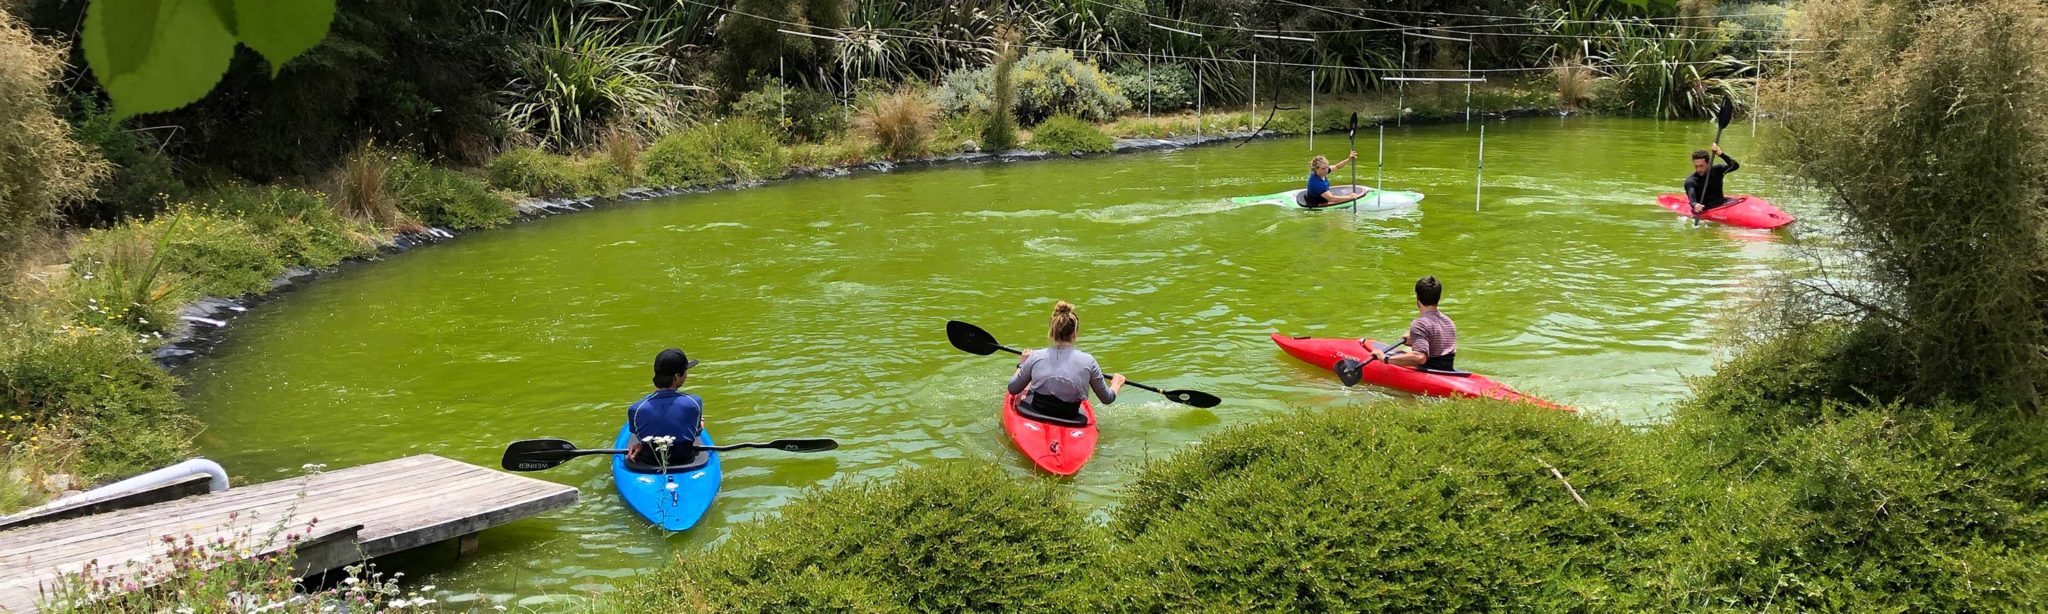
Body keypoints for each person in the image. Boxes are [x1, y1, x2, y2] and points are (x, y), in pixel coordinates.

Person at [1007, 301, 1126, 423]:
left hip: (1037, 412)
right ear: (1075, 333)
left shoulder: (1036, 356)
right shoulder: (1089, 361)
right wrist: (1116, 384)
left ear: (1052, 331)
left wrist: (1023, 364)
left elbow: (1013, 388)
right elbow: (1107, 398)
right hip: (1070, 418)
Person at [625, 348, 705, 466]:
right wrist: (700, 423)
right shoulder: (694, 402)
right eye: (685, 371)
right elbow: (696, 432)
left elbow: (639, 436)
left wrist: (641, 445)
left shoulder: (635, 409)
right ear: (677, 375)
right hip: (685, 460)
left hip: (649, 462)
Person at [1365, 276, 1457, 371]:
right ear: (1439, 297)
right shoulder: (1449, 322)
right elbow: (1437, 349)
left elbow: (1420, 358)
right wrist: (1414, 340)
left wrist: (1385, 359)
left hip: (1430, 372)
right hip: (1447, 371)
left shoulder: (1420, 324)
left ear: (1417, 297)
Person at [1684, 143, 1742, 216]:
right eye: (1696, 166)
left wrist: (1721, 154)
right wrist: (1695, 205)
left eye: (1701, 166)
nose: (1699, 169)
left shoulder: (1718, 170)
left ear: (1709, 163)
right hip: (1706, 209)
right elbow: (1692, 201)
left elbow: (1735, 166)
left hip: (1722, 204)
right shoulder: (1691, 181)